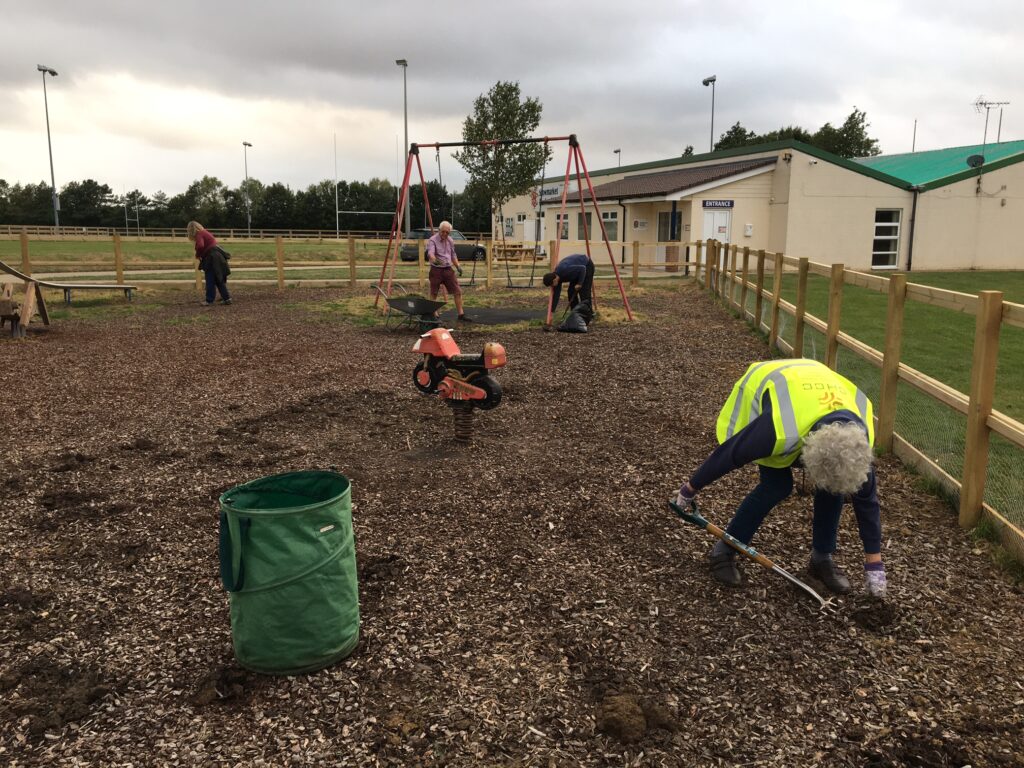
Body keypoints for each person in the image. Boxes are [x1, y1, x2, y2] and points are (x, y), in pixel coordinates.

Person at [674, 359, 887, 598]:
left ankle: (821, 558)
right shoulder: (775, 429)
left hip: (815, 387)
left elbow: (867, 503)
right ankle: (725, 550)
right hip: (773, 386)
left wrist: (875, 567)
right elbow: (731, 454)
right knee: (777, 485)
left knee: (833, 487)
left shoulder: (858, 446)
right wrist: (690, 488)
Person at [426, 221, 471, 322]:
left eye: (447, 232)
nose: (445, 234)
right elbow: (430, 254)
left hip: (447, 269)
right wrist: (435, 260)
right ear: (439, 230)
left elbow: (453, 255)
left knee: (457, 291)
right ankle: (434, 314)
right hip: (436, 270)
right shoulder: (432, 240)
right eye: (443, 232)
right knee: (434, 292)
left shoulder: (450, 240)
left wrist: (458, 266)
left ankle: (461, 314)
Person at [187, 221, 232, 306]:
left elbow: (200, 246)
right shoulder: (205, 232)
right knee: (218, 279)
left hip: (211, 258)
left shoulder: (199, 234)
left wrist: (198, 255)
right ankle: (227, 298)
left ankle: (209, 300)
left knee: (210, 279)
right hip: (217, 256)